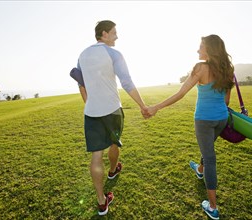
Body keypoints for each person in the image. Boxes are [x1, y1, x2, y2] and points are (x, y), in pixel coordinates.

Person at [147, 34, 234, 220]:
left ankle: (212, 207)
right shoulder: (228, 69)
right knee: (207, 148)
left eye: (200, 46)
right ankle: (199, 169)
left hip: (204, 119)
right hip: (221, 118)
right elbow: (227, 100)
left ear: (209, 49)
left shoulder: (200, 68)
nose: (197, 50)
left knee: (210, 157)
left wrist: (156, 107)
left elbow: (181, 93)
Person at [72, 20, 149, 216]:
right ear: (104, 34)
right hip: (113, 110)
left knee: (96, 155)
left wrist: (90, 104)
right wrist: (142, 106)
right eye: (114, 32)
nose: (117, 36)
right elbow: (127, 82)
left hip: (91, 113)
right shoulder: (114, 54)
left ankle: (101, 202)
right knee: (114, 143)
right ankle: (113, 170)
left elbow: (81, 85)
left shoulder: (82, 55)